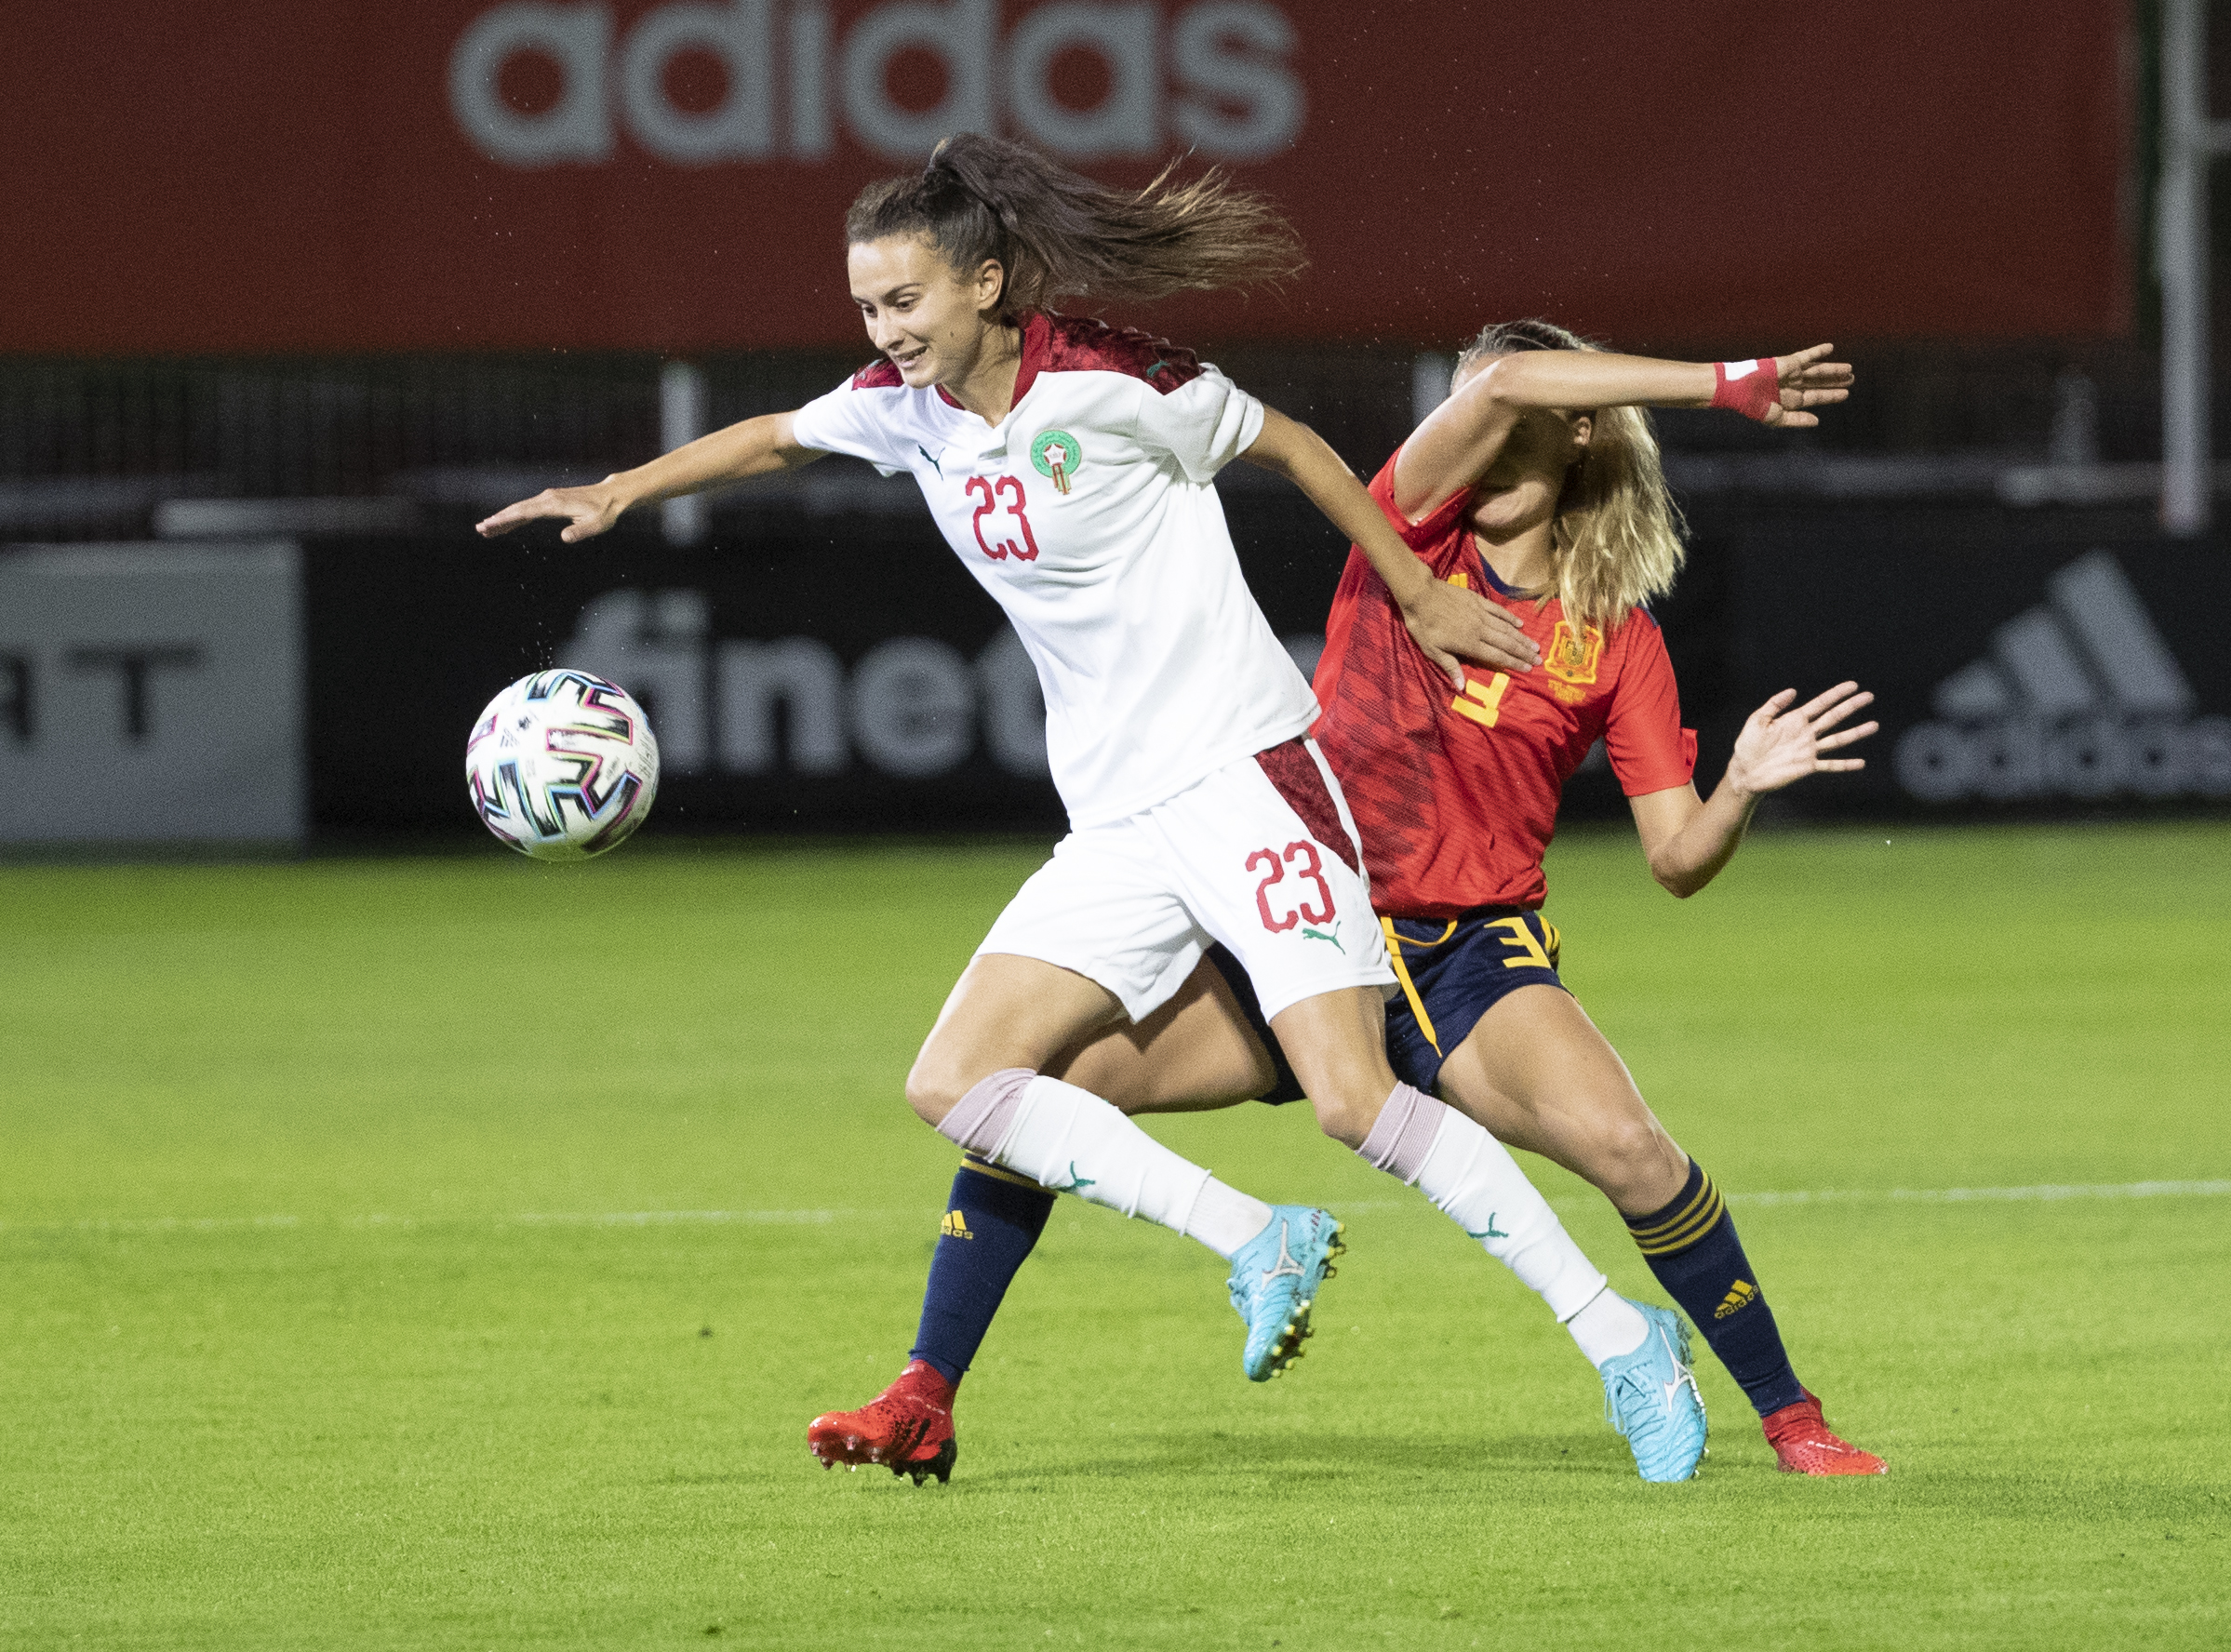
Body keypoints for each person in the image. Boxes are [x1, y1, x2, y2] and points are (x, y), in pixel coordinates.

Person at [476, 136, 1707, 1486]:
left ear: (988, 281)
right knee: (956, 1083)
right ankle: (1254, 1234)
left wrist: (1415, 593)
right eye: (867, 310)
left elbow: (1287, 441)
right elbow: (775, 434)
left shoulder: (1119, 381)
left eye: (906, 304)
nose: (884, 335)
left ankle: (1621, 1338)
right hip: (1120, 823)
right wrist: (622, 490)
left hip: (1249, 781)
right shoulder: (905, 407)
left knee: (1357, 1104)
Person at [820, 320, 1890, 1484]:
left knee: (1634, 1155)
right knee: (1031, 1099)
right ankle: (925, 1392)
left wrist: (1736, 787)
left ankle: (1794, 1421)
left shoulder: (1617, 642)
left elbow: (1677, 858)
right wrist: (1726, 383)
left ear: (1579, 428)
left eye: (1496, 408)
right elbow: (1513, 387)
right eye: (1463, 402)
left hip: (1468, 955)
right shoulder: (1412, 532)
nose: (1466, 423)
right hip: (1293, 908)